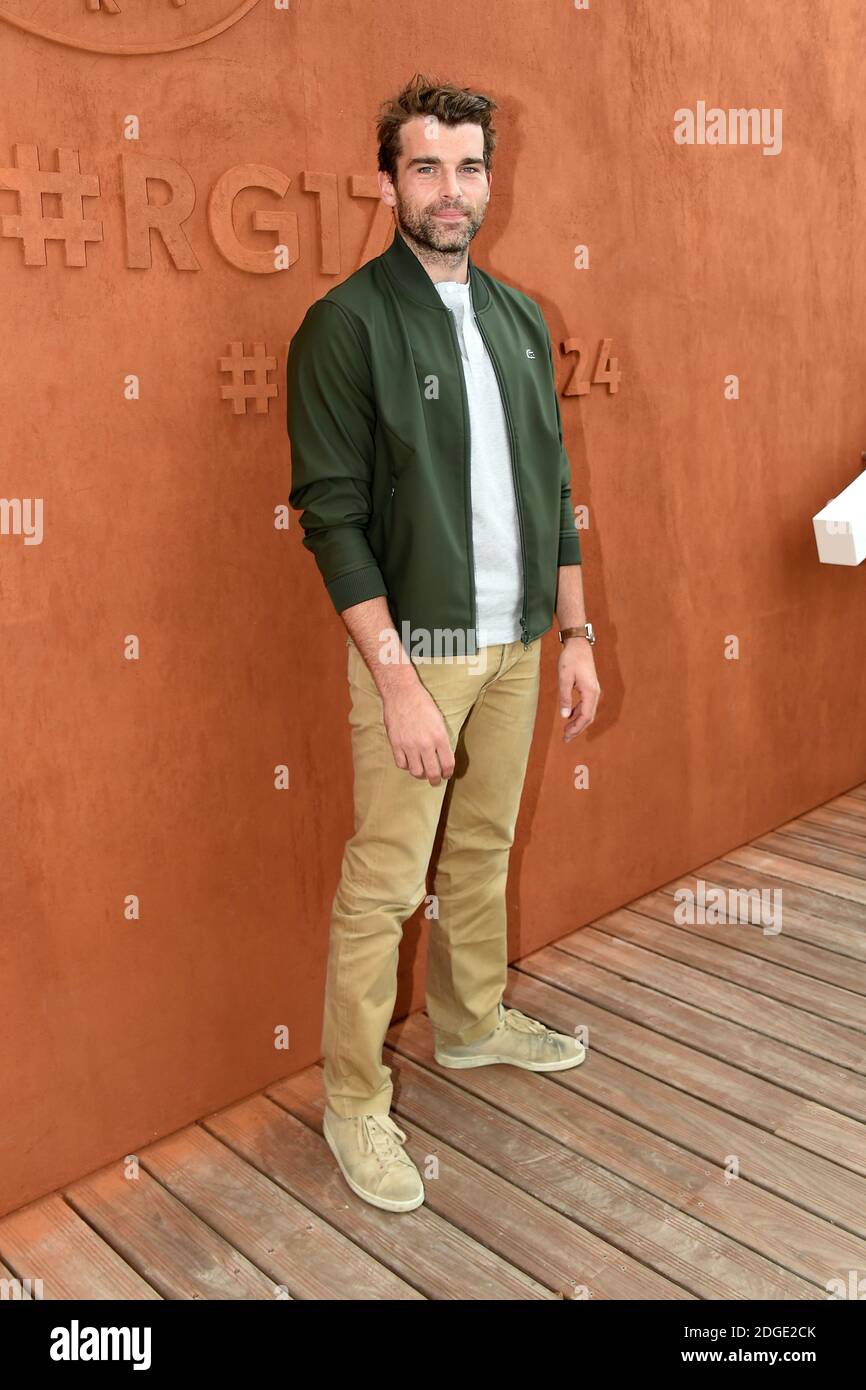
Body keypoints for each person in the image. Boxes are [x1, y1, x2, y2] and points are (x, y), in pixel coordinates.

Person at [286, 73, 601, 1213]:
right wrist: (400, 683)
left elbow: (552, 487)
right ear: (388, 181)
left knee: (480, 849)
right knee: (382, 884)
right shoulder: (345, 324)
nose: (450, 189)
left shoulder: (520, 319)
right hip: (414, 653)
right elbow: (331, 515)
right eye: (425, 166)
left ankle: (468, 1027)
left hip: (520, 644)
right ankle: (355, 1104)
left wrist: (573, 633)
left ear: (487, 177)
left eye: (467, 165)